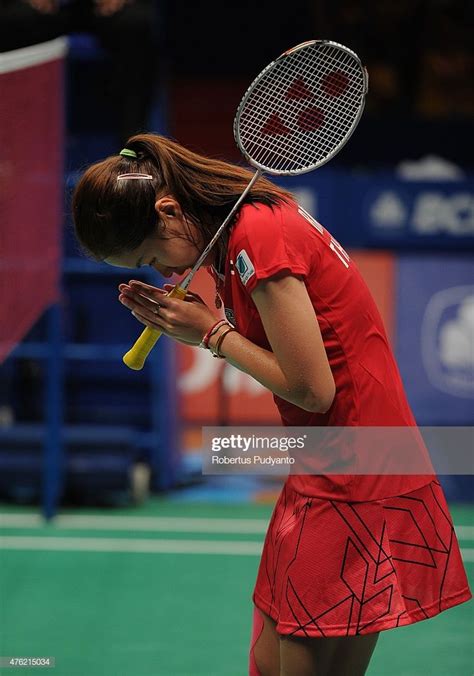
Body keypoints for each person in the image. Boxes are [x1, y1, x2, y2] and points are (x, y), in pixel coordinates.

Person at [72, 133, 472, 676]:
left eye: (150, 256)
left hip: (354, 474)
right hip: (328, 461)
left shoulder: (257, 232)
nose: (163, 274)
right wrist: (196, 312)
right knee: (269, 656)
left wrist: (210, 333)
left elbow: (313, 389)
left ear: (168, 210)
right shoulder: (232, 230)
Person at [0, 0, 158, 144]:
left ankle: (133, 145)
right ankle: (15, 144)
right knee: (16, 19)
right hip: (44, 7)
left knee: (135, 23)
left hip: (102, 7)